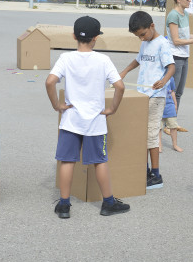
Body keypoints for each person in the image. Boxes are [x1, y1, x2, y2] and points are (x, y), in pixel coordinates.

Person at [45, 16, 130, 219]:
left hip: (71, 119)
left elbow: (50, 82)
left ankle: (64, 205)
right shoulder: (103, 60)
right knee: (99, 161)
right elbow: (120, 86)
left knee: (67, 161)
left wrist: (57, 105)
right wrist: (112, 109)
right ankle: (108, 203)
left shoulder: (66, 58)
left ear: (74, 36)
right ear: (95, 38)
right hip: (95, 121)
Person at [121, 11, 175, 190]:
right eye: (138, 36)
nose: (141, 39)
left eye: (142, 34)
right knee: (141, 134)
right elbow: (138, 60)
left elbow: (171, 67)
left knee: (151, 135)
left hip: (156, 96)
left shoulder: (162, 44)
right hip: (142, 95)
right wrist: (124, 71)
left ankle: (156, 174)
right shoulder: (146, 43)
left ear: (152, 26)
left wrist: (164, 81)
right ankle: (143, 171)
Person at [159, 77, 183, 153]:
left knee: (173, 126)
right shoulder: (155, 76)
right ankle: (159, 145)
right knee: (158, 127)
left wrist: (175, 104)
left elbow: (172, 91)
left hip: (170, 106)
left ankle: (175, 145)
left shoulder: (171, 78)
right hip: (159, 105)